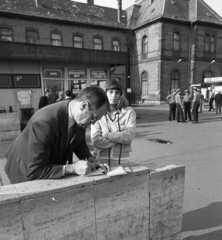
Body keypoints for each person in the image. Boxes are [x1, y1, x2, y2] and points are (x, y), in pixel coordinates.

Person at [5, 86, 108, 184]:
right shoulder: (44, 122)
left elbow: (79, 143)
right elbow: (36, 170)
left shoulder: (79, 117)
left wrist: (90, 159)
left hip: (48, 165)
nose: (93, 123)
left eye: (97, 119)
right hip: (25, 172)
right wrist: (72, 168)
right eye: (94, 118)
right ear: (83, 106)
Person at [91, 79, 136, 167]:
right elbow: (96, 141)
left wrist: (107, 135)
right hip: (101, 160)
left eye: (117, 92)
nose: (114, 95)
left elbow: (129, 136)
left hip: (123, 160)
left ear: (121, 95)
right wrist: (121, 139)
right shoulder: (98, 113)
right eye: (110, 92)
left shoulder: (129, 112)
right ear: (105, 93)